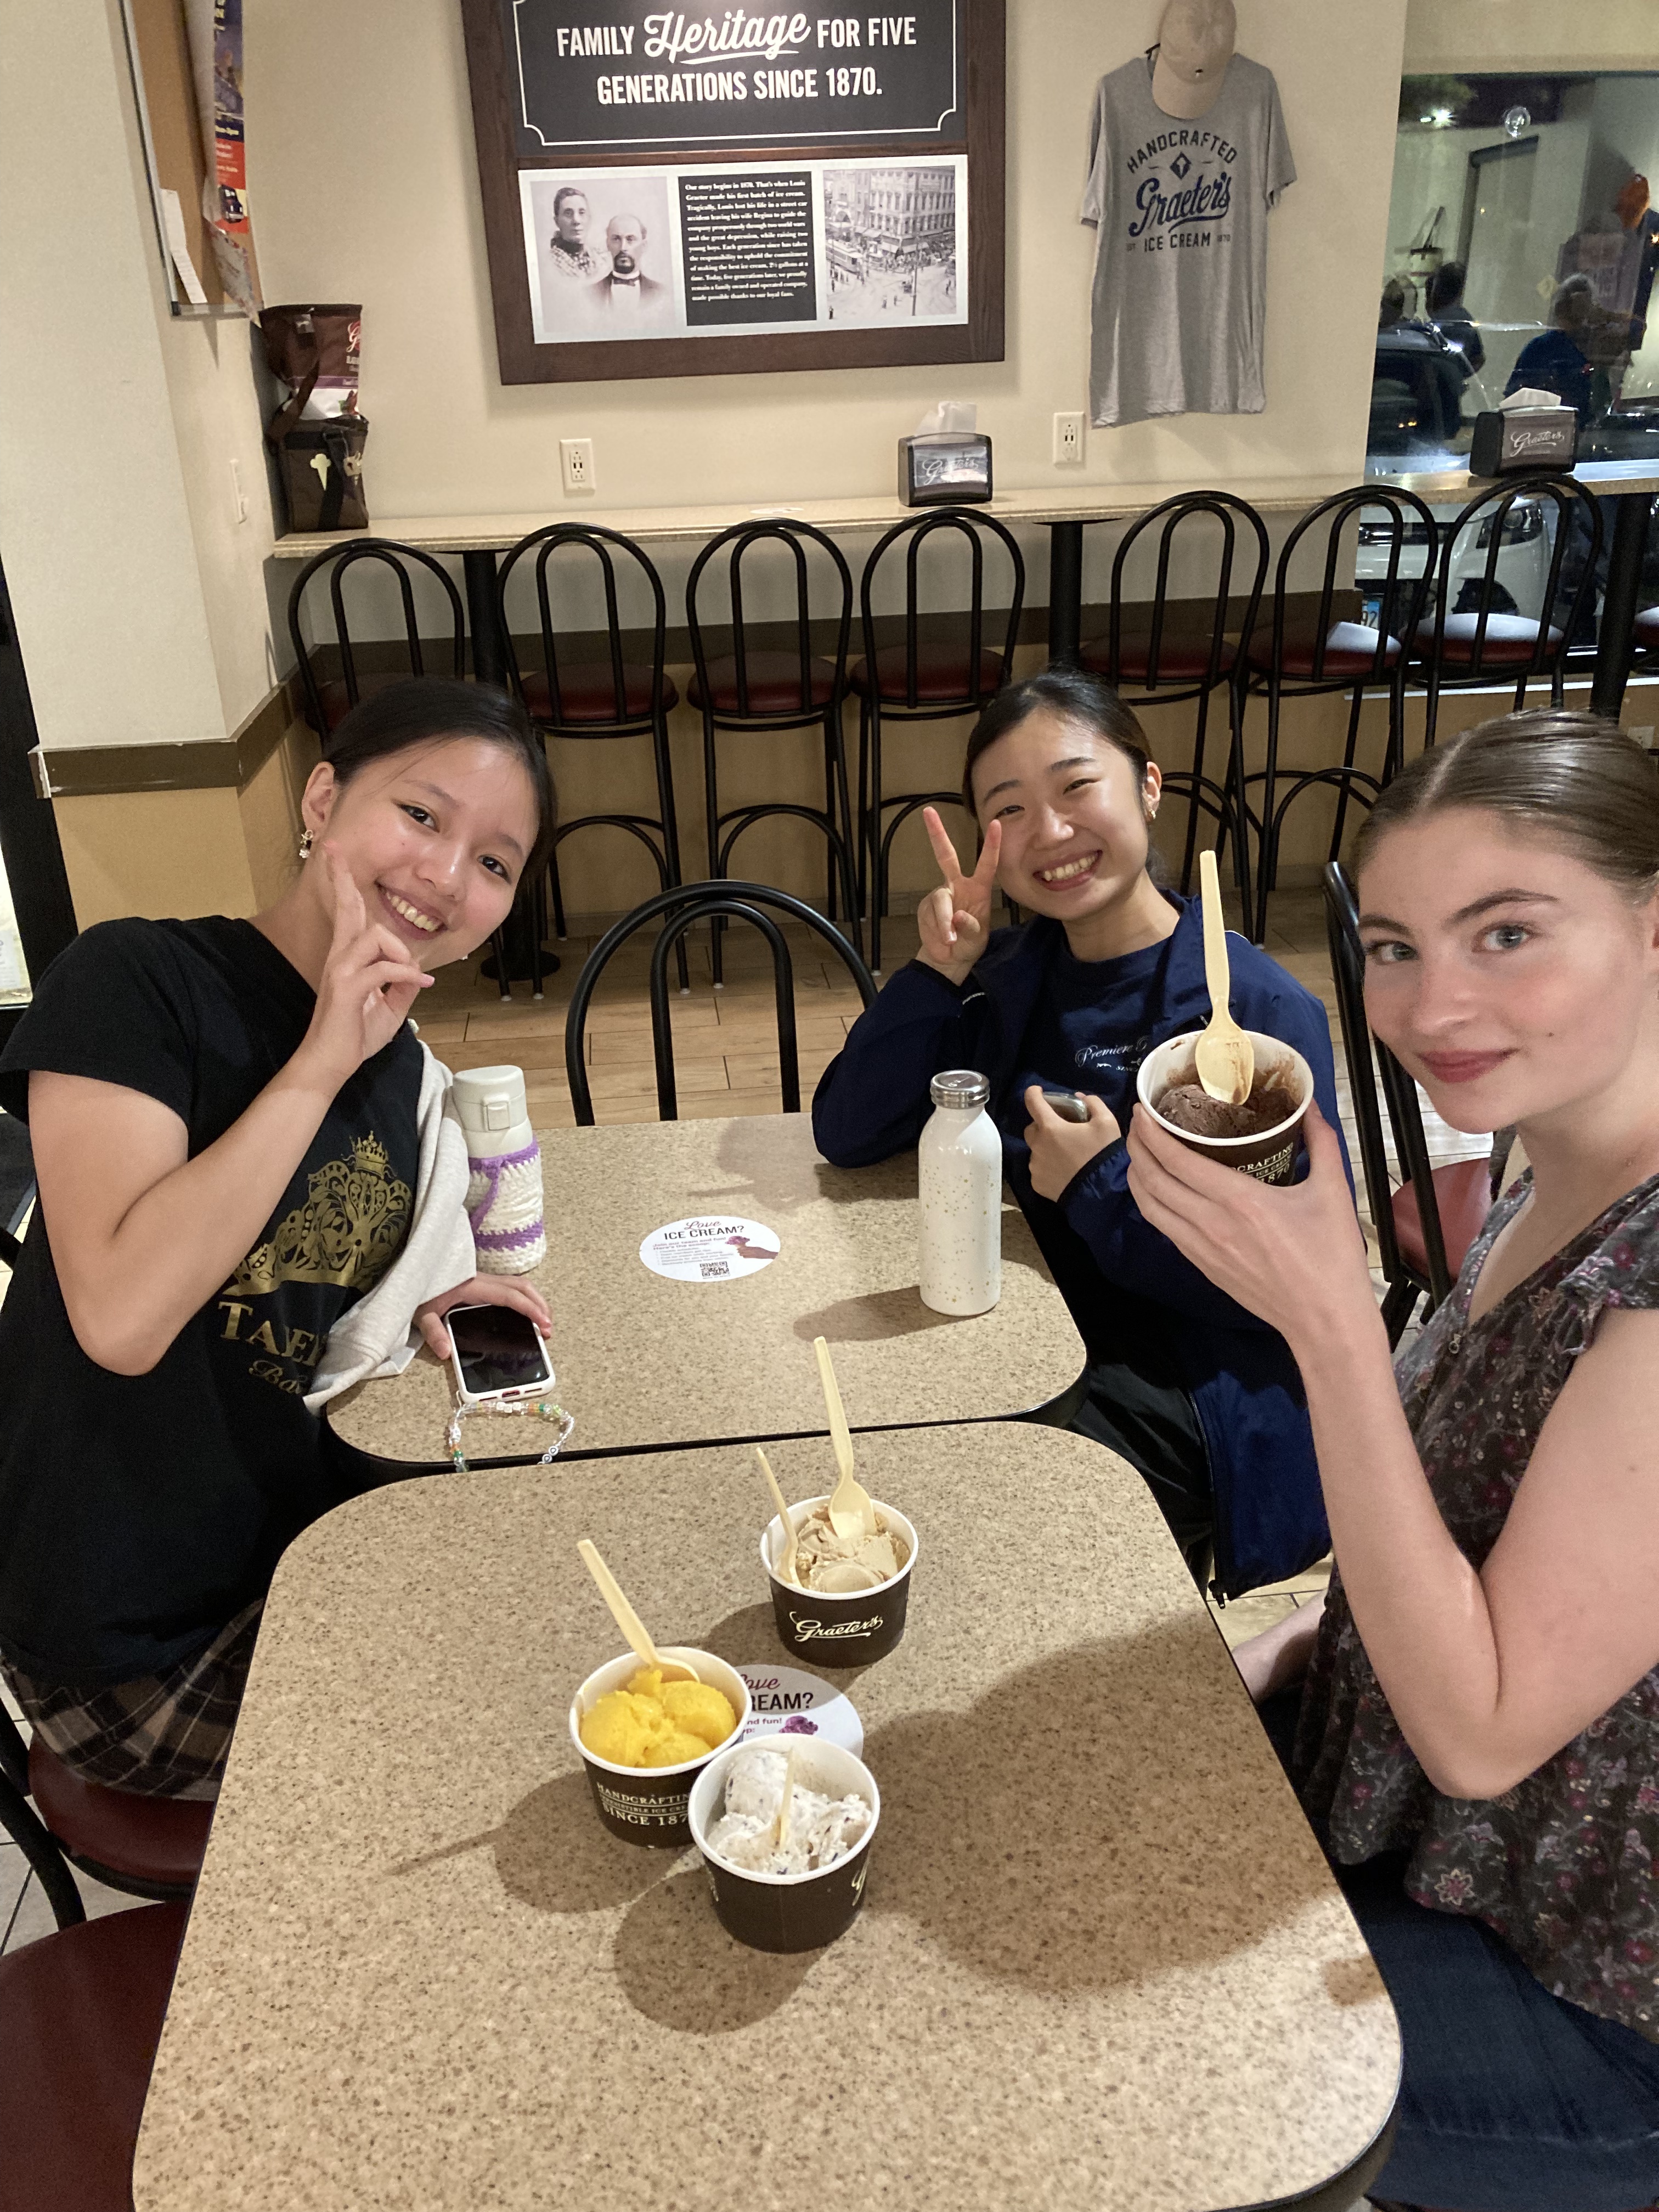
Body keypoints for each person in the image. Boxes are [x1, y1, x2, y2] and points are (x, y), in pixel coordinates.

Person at [1127, 708, 1659, 2209]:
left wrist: (1329, 1322)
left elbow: (1484, 1732)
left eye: (1508, 933)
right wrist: (1310, 1644)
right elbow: (1481, 1537)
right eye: (1395, 946)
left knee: (1123, 2059)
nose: (1433, 1005)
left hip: (1585, 1995)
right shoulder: (1548, 1161)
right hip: (1431, 1835)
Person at [0, 679, 557, 1799]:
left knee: (567, 1611)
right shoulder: (136, 984)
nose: (448, 877)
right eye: (421, 815)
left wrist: (413, 1299)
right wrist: (319, 1060)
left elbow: (299, 1283)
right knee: (516, 1745)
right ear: (320, 798)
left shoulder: (401, 1069)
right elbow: (122, 1319)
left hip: (286, 1548)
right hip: (132, 1649)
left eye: (495, 863)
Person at [812, 667, 1345, 1598]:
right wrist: (937, 971)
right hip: (1023, 1330)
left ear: (1148, 784)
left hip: (1191, 1382)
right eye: (1008, 810)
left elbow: (1278, 1290)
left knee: (963, 1528)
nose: (1050, 833)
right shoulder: (1009, 974)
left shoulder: (1247, 1017)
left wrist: (1101, 1183)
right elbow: (848, 1130)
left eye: (1075, 787)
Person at [585, 214, 674, 330]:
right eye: (616, 239)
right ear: (608, 244)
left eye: (630, 239)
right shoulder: (589, 294)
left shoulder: (663, 294)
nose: (623, 248)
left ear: (644, 246)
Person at [1424, 259, 1484, 379]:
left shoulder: (1438, 324)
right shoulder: (1466, 320)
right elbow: (1479, 359)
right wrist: (1458, 377)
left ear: (1438, 289)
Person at [546, 186, 610, 283]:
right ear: (557, 221)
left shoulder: (603, 260)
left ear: (589, 218)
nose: (576, 220)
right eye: (568, 213)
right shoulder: (549, 264)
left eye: (582, 213)